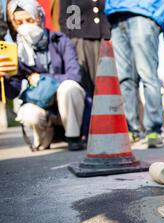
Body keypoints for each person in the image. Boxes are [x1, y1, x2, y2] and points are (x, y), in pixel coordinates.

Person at [0, 0, 85, 151]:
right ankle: (45, 136)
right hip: (40, 105)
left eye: (30, 20)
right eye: (18, 22)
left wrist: (43, 79)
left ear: (39, 17)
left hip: (65, 105)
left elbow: (75, 75)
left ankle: (73, 137)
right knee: (28, 113)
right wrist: (4, 77)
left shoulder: (60, 40)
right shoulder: (17, 52)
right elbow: (12, 92)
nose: (25, 26)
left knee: (69, 87)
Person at [105, 0, 164, 148]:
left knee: (148, 75)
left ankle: (153, 130)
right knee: (124, 78)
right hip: (115, 15)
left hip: (145, 12)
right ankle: (131, 129)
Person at [55, 0, 111, 141]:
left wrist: (108, 36)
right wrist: (69, 41)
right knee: (83, 87)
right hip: (78, 39)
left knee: (103, 87)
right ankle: (84, 131)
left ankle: (104, 129)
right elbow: (65, 17)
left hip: (102, 39)